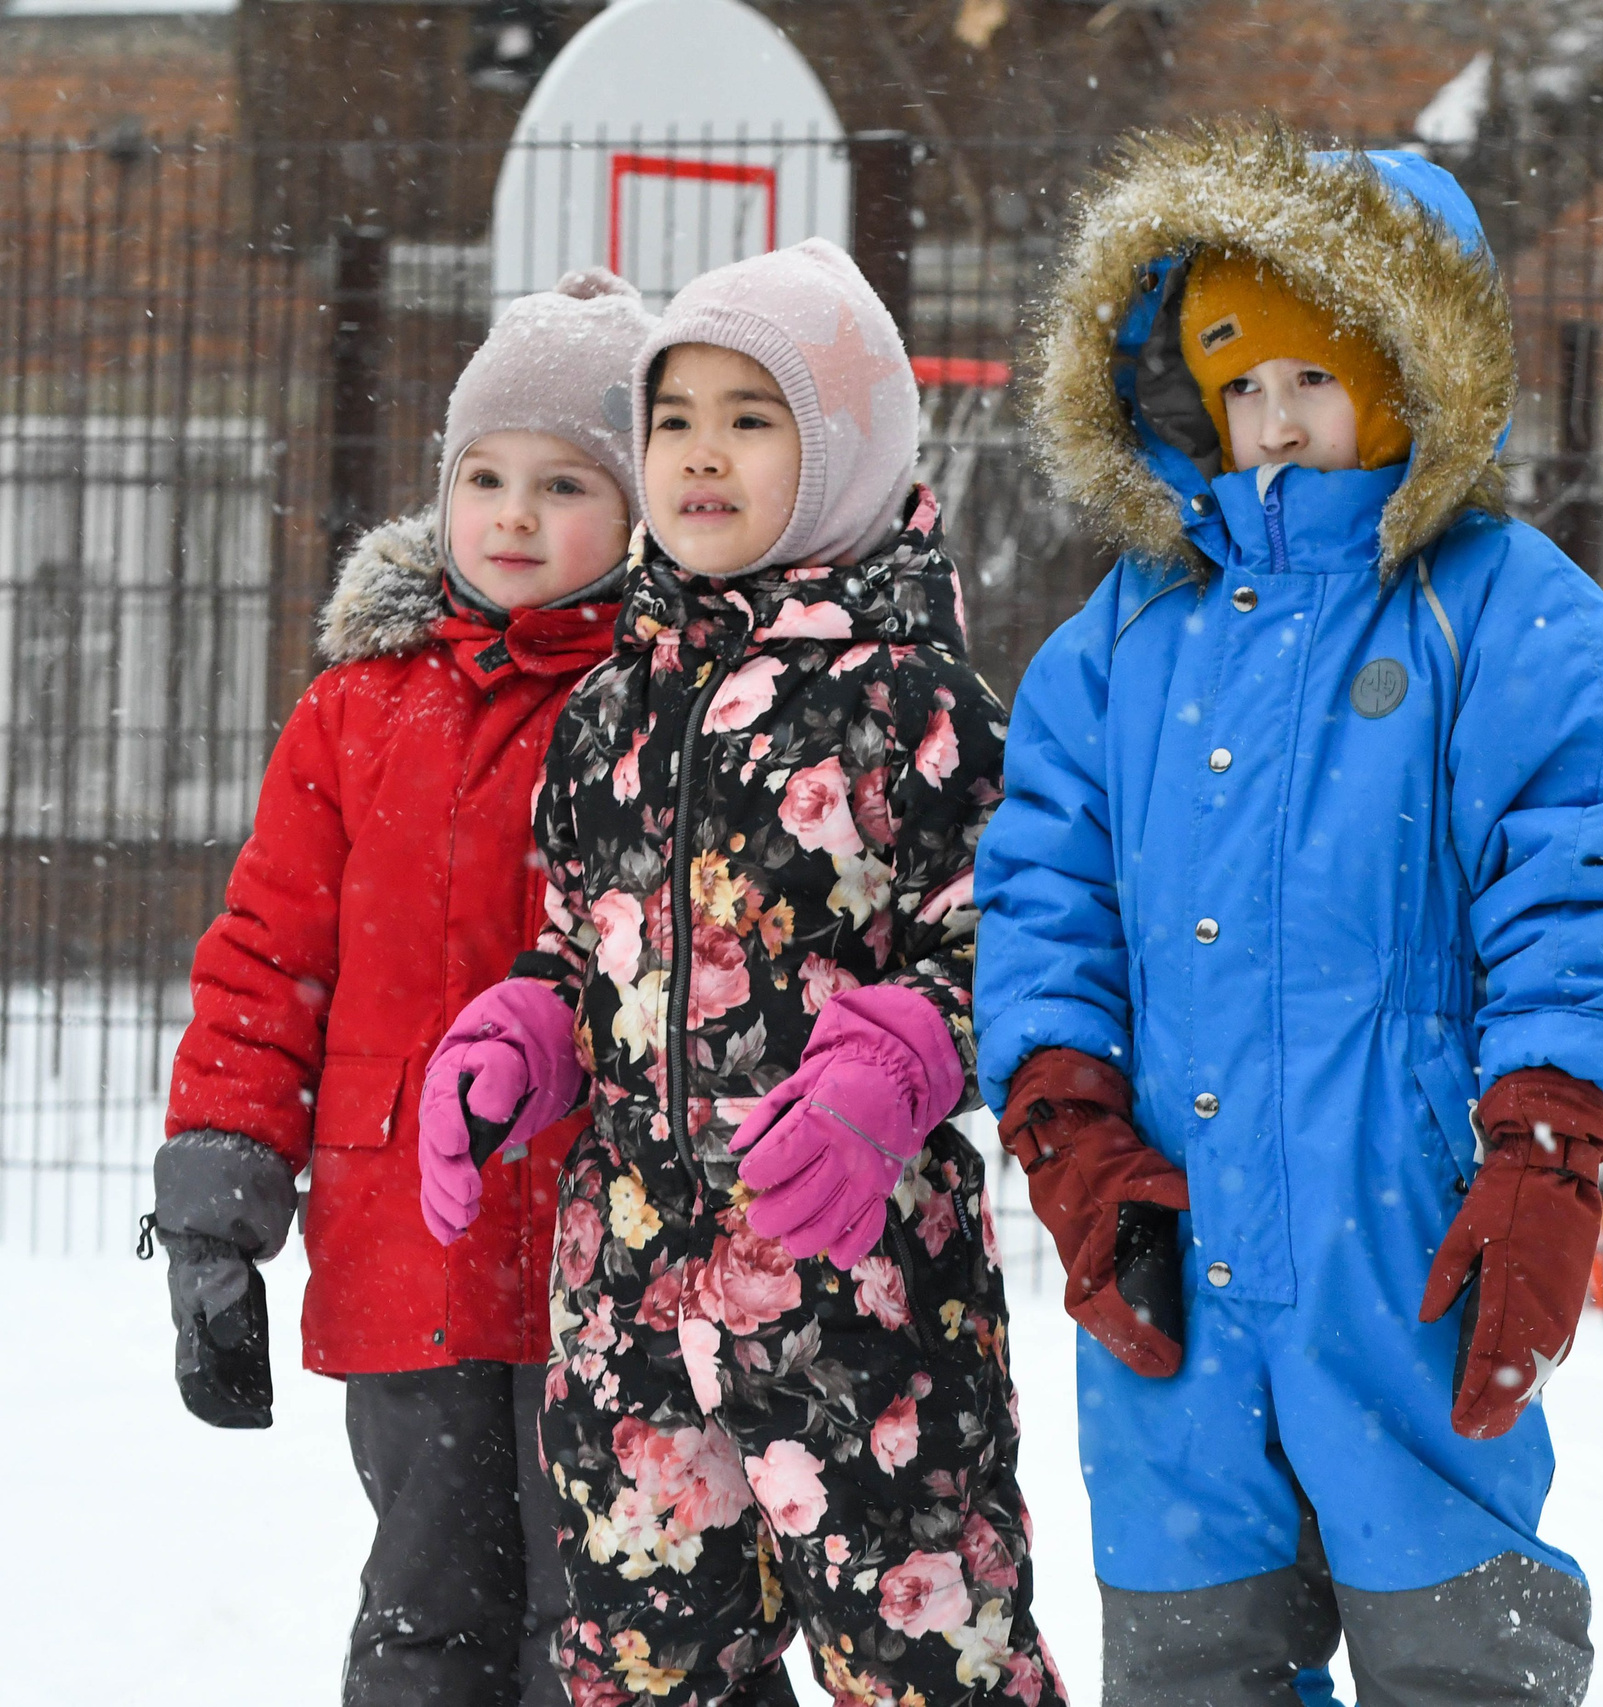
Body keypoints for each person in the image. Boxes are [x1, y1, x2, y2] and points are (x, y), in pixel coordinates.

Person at [976, 123, 1603, 1706]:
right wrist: (1070, 1126)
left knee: (1456, 1645)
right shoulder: (1129, 634)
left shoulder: (1498, 608)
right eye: (1240, 386)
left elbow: (1575, 886)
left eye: (1315, 377)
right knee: (1193, 1648)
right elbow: (1044, 885)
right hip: (1169, 1239)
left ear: (1409, 372)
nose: (1277, 422)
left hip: (1407, 1235)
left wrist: (1546, 1142)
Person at [417, 237, 1061, 1707]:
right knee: (645, 1669)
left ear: (846, 450)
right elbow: (583, 945)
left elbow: (1011, 943)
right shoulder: (605, 713)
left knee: (930, 1665)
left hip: (865, 1308)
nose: (700, 454)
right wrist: (524, 1038)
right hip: (631, 1300)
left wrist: (900, 1059)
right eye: (674, 420)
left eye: (751, 419)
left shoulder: (919, 703)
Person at [152, 269, 653, 1706]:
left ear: (637, 514)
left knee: (605, 1621)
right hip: (409, 1254)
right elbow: (268, 961)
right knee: (425, 1611)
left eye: (564, 483)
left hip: (609, 1258)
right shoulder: (358, 711)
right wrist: (216, 1215)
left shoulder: (664, 704)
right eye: (484, 476)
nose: (512, 515)